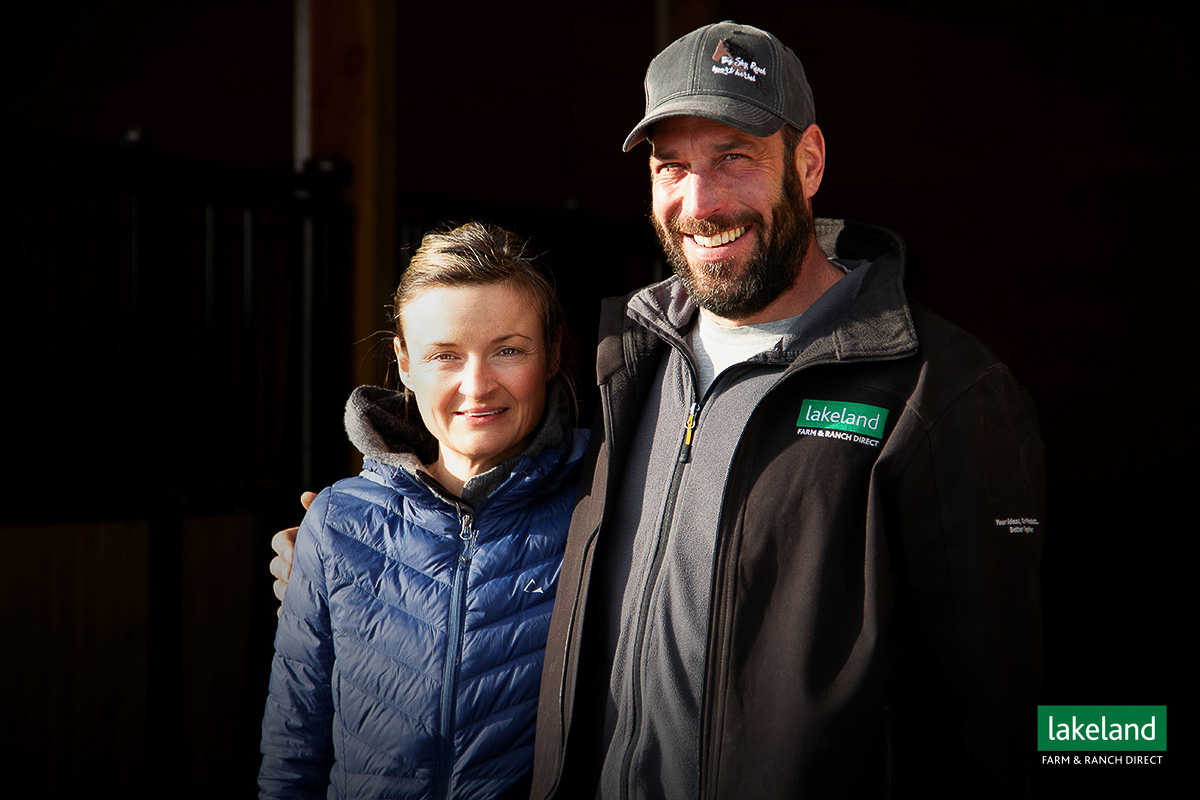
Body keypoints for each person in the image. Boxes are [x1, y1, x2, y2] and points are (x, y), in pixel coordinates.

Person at [274, 21, 1045, 799]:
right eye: (672, 165)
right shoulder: (629, 361)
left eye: (733, 159)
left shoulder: (940, 392)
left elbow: (998, 715)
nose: (700, 202)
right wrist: (350, 551)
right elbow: (496, 518)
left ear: (808, 162)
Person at [258, 222, 588, 799]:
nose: (477, 384)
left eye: (509, 350)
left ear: (554, 351)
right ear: (404, 362)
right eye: (445, 355)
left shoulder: (603, 504)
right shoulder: (337, 523)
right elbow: (294, 752)